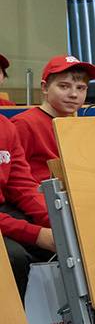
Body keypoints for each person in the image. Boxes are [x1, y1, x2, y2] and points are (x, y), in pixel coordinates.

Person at [14, 56, 95, 187]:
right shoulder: (23, 124)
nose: (74, 94)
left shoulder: (78, 126)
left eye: (80, 88)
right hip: (41, 195)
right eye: (64, 86)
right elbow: (13, 178)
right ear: (45, 87)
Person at [0, 114, 55, 297]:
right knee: (13, 258)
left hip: (4, 210)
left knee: (69, 245)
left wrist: (55, 222)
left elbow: (22, 185)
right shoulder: (22, 124)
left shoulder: (5, 126)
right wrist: (37, 234)